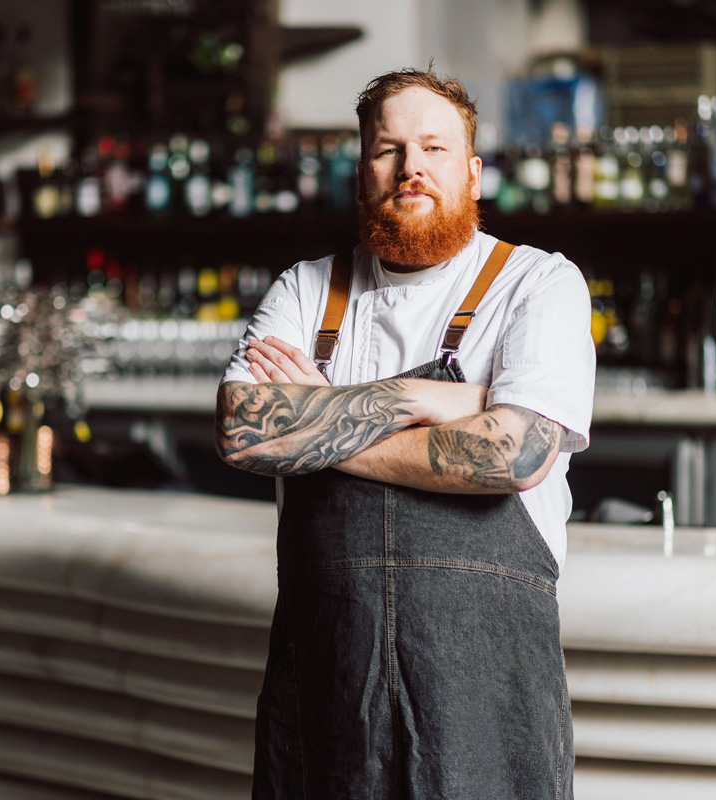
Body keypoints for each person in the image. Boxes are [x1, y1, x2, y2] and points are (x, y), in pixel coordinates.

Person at [216, 66, 595, 800]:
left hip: (487, 703)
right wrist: (436, 400)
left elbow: (511, 453)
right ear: (363, 173)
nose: (411, 167)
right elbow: (244, 432)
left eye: (434, 148)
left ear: (474, 172)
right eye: (388, 149)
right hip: (330, 699)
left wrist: (327, 413)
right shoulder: (306, 290)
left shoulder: (538, 284)